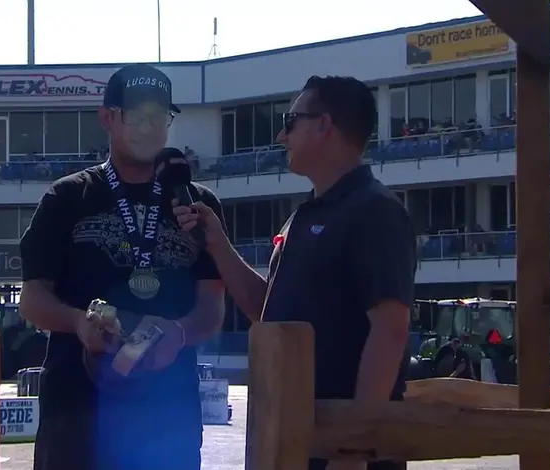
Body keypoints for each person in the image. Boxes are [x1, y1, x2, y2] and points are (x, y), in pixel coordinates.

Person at [174, 75, 416, 470]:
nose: (280, 135)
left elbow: (390, 331)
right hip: (295, 442)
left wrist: (353, 450)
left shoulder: (376, 211)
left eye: (290, 121)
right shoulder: (305, 216)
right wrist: (217, 243)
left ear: (324, 125)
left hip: (344, 454)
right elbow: (267, 313)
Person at [19, 63, 226, 470]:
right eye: (136, 116)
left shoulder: (197, 205)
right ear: (107, 118)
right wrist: (79, 322)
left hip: (168, 418)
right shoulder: (66, 198)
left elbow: (212, 307)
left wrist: (179, 333)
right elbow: (32, 300)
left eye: (159, 117)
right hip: (77, 413)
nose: (148, 128)